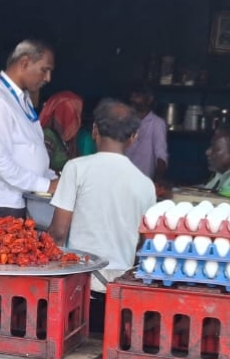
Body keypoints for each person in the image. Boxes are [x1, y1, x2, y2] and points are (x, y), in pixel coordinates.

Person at [48, 99, 155, 296]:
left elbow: (58, 233)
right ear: (133, 137)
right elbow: (144, 243)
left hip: (79, 282)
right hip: (120, 288)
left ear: (94, 130)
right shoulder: (146, 185)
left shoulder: (76, 168)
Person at [0, 39, 59, 219]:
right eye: (44, 70)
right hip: (4, 205)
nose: (48, 78)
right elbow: (0, 164)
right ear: (24, 63)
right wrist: (46, 185)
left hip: (21, 201)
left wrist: (53, 178)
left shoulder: (21, 98)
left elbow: (28, 151)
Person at [124, 83, 168, 180]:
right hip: (123, 179)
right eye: (132, 96)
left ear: (150, 99)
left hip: (144, 180)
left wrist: (157, 181)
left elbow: (161, 156)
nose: (133, 100)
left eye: (137, 97)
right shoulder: (124, 121)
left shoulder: (157, 123)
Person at [39, 91, 83, 173]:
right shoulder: (47, 136)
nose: (77, 119)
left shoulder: (69, 139)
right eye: (73, 113)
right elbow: (42, 170)